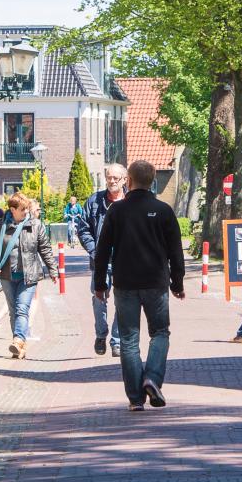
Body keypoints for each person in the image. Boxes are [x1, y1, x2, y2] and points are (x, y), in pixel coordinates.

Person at [93, 160, 186, 411]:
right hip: (156, 282)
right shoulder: (164, 211)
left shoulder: (117, 211)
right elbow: (176, 251)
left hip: (125, 282)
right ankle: (152, 378)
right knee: (160, 333)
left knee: (128, 339)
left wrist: (100, 284)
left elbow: (102, 251)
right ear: (153, 181)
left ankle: (135, 398)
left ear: (129, 181)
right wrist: (177, 283)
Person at [0, 193, 58, 359]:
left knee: (22, 308)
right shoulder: (0, 225)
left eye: (27, 208)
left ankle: (18, 340)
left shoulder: (36, 225)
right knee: (13, 311)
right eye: (22, 209)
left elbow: (45, 249)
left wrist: (53, 270)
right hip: (6, 275)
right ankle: (19, 347)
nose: (26, 212)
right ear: (13, 210)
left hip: (29, 275)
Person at [77, 163, 127, 356]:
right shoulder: (94, 201)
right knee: (99, 299)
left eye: (115, 178)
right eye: (108, 177)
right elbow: (83, 229)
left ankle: (117, 341)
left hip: (124, 262)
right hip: (101, 262)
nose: (111, 181)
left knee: (123, 301)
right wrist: (95, 251)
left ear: (124, 180)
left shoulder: (131, 202)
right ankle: (101, 334)